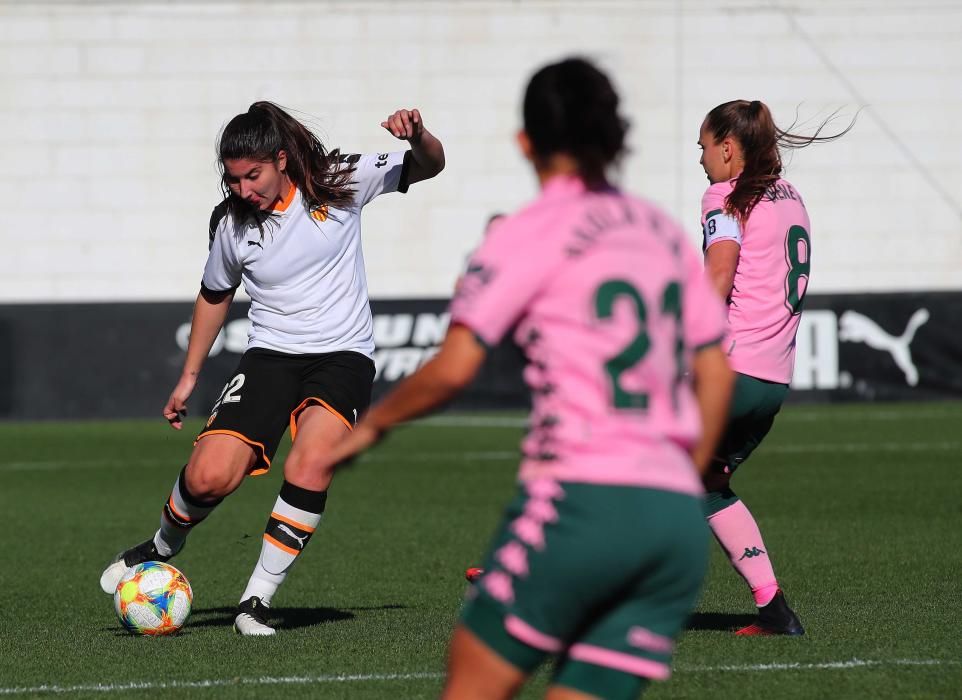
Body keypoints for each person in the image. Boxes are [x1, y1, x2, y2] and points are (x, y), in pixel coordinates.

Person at [324, 58, 734, 700]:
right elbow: (714, 371)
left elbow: (457, 365)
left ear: (526, 142)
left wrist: (372, 424)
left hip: (581, 505)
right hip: (672, 530)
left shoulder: (526, 233)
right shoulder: (660, 230)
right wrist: (684, 480)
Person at [99, 100, 445, 636]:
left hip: (342, 357)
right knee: (209, 475)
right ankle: (162, 545)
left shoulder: (339, 180)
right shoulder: (231, 223)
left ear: (282, 159)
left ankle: (256, 600)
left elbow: (430, 165)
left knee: (311, 465)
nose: (243, 190)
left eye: (252, 176)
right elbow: (215, 294)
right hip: (270, 356)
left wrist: (418, 137)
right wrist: (189, 375)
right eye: (233, 180)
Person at [697, 99, 851, 635]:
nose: (701, 160)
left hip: (729, 370)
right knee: (708, 486)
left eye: (703, 148)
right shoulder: (791, 196)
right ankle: (774, 610)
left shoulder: (724, 196)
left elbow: (720, 277)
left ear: (728, 148)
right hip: (772, 382)